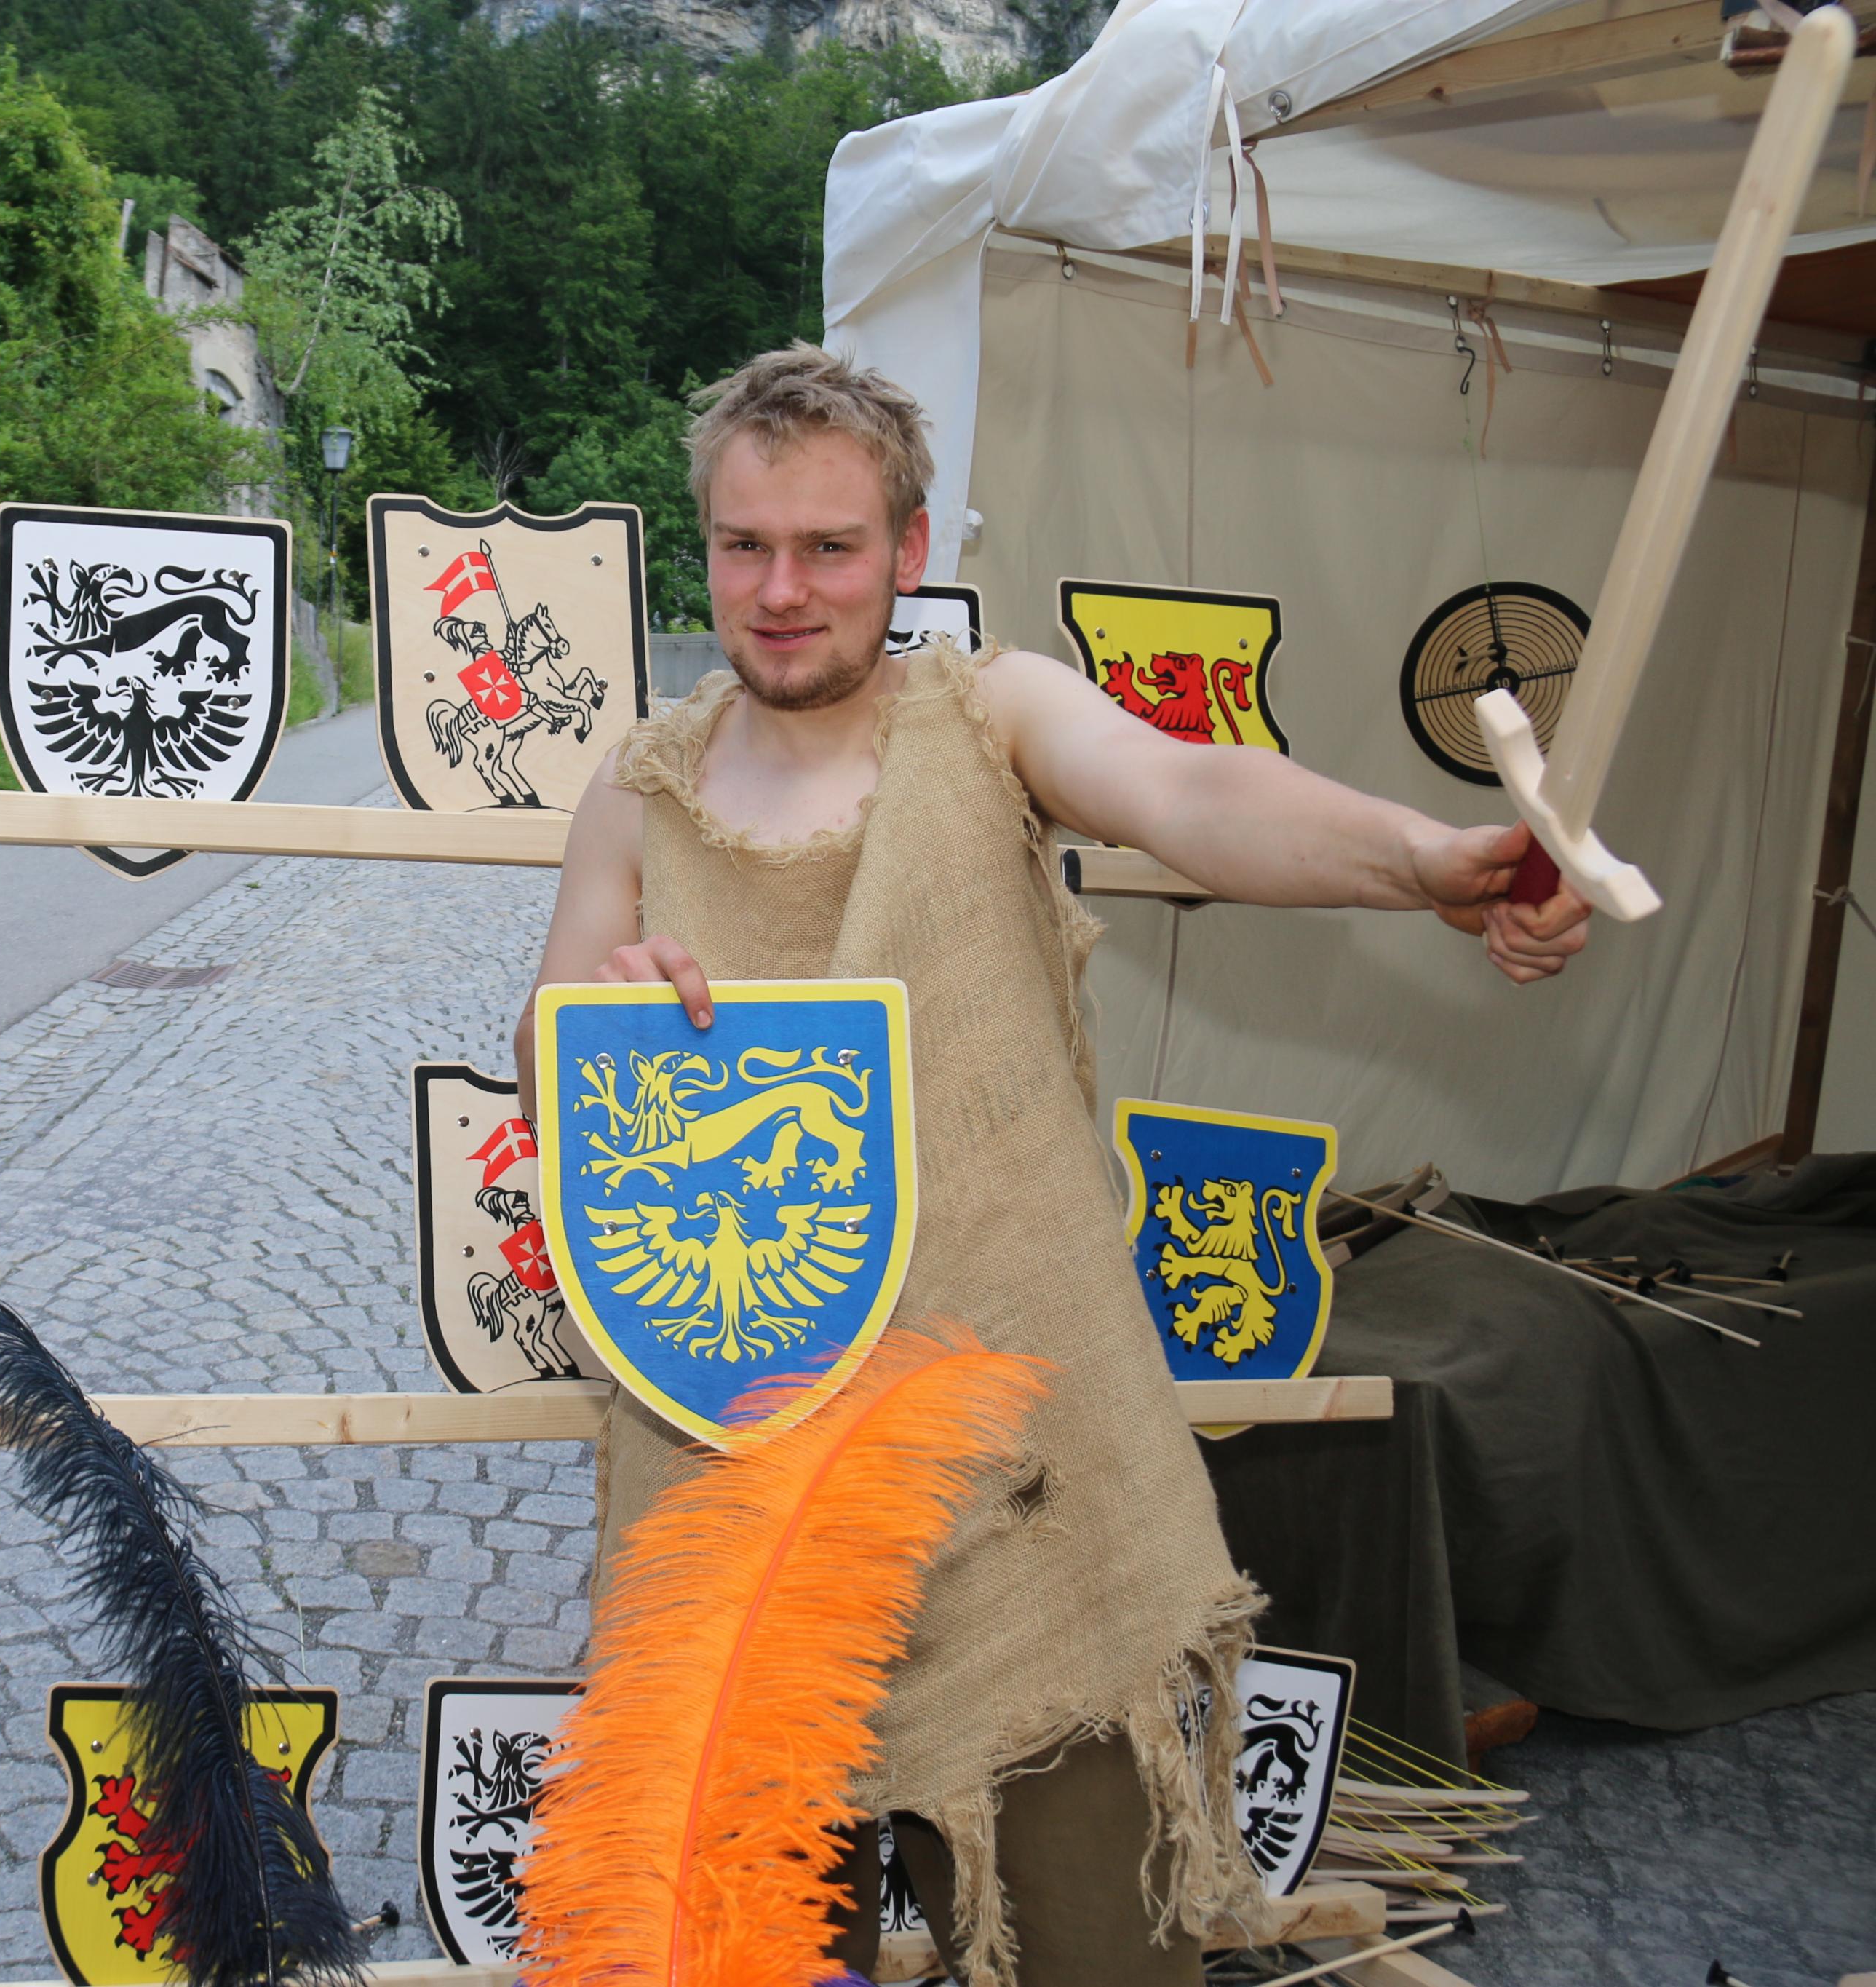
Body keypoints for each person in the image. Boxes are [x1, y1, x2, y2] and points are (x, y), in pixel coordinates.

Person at [512, 344, 1589, 1987]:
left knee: (1098, 1956)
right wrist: (605, 1020)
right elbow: (548, 1052)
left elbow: (1191, 790)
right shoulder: (637, 792)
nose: (782, 590)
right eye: (745, 546)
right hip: (734, 1494)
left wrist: (1422, 858)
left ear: (908, 548)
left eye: (827, 547)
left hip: (1015, 1485)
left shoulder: (988, 715)